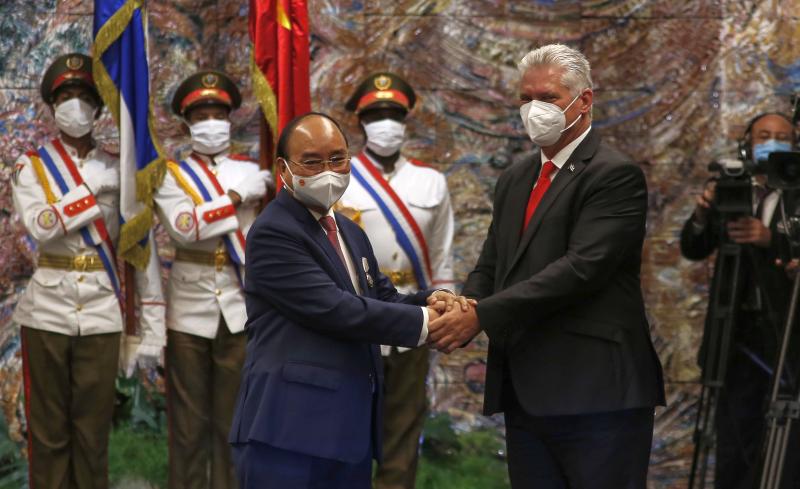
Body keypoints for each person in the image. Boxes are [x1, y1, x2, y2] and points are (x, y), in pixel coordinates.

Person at [427, 44, 665, 488]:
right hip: (527, 392)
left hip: (597, 394)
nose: (535, 109)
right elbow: (494, 260)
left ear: (584, 100)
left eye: (549, 97)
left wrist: (481, 315)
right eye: (525, 98)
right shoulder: (517, 177)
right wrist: (461, 302)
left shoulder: (614, 174)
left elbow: (581, 270)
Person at [228, 112, 463, 489]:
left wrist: (438, 299)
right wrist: (429, 324)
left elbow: (381, 295)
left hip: (345, 435)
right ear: (283, 169)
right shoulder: (274, 231)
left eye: (337, 158)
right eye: (312, 161)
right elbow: (336, 310)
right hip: (287, 435)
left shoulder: (348, 230)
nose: (328, 171)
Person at [11, 52, 165, 489]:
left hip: (101, 309)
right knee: (49, 434)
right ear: (52, 105)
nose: (74, 104)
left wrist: (152, 328)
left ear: (99, 109)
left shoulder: (121, 168)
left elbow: (141, 248)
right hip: (46, 312)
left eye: (83, 96)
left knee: (93, 432)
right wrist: (91, 191)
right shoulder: (31, 167)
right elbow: (42, 227)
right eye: (65, 95)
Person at [153, 70, 272, 489]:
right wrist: (238, 197)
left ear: (229, 118)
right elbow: (185, 227)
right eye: (201, 114)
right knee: (187, 426)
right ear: (188, 123)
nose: (211, 121)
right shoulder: (171, 175)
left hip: (240, 308)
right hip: (188, 309)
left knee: (235, 422)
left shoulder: (253, 168)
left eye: (218, 113)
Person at [340, 72, 455, 489]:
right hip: (358, 313)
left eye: (393, 114)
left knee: (404, 422)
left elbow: (442, 255)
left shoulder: (431, 181)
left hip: (413, 315)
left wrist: (447, 311)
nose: (385, 123)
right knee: (347, 420)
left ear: (405, 122)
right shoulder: (341, 178)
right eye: (376, 115)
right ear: (361, 122)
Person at [680, 112, 799, 488]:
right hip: (735, 336)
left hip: (787, 335)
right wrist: (702, 213)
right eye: (764, 135)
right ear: (747, 143)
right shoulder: (732, 187)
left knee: (786, 444)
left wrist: (770, 240)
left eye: (783, 136)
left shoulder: (796, 196)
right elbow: (693, 247)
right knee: (734, 440)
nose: (773, 142)